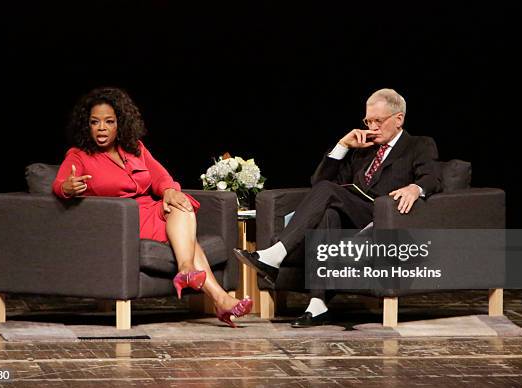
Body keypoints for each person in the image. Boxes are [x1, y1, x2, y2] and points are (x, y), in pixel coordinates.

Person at [234, 88, 441, 327]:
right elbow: (318, 182)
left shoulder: (418, 145)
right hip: (350, 216)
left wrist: (415, 188)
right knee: (328, 214)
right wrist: (342, 145)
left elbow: (433, 177)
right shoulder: (363, 150)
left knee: (328, 192)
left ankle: (276, 253)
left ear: (398, 119)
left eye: (378, 121)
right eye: (368, 121)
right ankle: (317, 304)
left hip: (383, 216)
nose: (372, 128)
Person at [52, 87, 252, 327]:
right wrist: (68, 187)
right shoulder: (80, 156)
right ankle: (217, 296)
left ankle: (192, 273)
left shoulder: (135, 148)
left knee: (182, 203)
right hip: (123, 219)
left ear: (120, 123)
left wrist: (168, 190)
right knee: (188, 238)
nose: (102, 128)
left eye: (109, 121)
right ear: (87, 126)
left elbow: (161, 177)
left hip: (151, 209)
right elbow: (59, 184)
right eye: (95, 122)